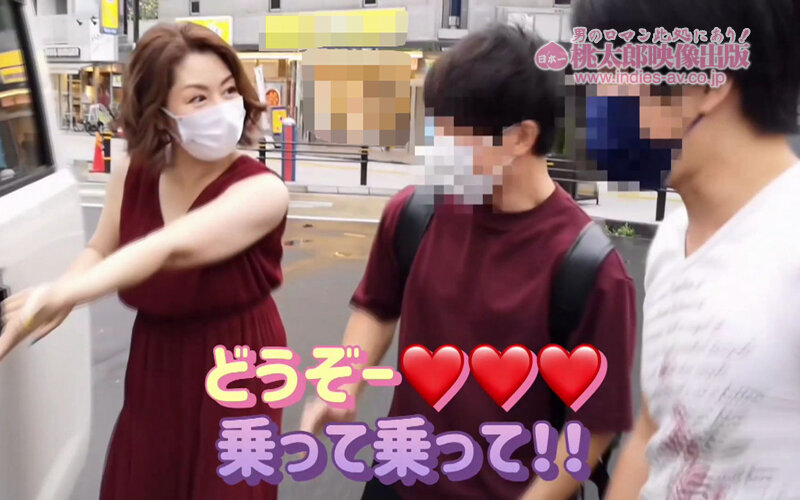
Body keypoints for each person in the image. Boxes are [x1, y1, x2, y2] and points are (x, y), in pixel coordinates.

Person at [300, 24, 637, 500]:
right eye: (436, 126)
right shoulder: (415, 214)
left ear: (521, 137)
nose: (438, 145)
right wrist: (343, 386)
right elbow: (376, 307)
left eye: (454, 132)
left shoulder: (590, 268)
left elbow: (594, 424)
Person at [0, 23, 289, 499]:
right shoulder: (135, 169)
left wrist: (65, 292)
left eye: (228, 91)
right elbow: (101, 246)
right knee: (143, 479)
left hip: (238, 360)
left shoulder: (262, 190)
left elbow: (170, 246)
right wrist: (59, 299)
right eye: (198, 98)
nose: (221, 108)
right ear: (160, 114)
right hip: (157, 355)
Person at [572, 0, 800, 497]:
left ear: (708, 82)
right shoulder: (671, 246)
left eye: (611, 70)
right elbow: (656, 434)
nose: (594, 101)